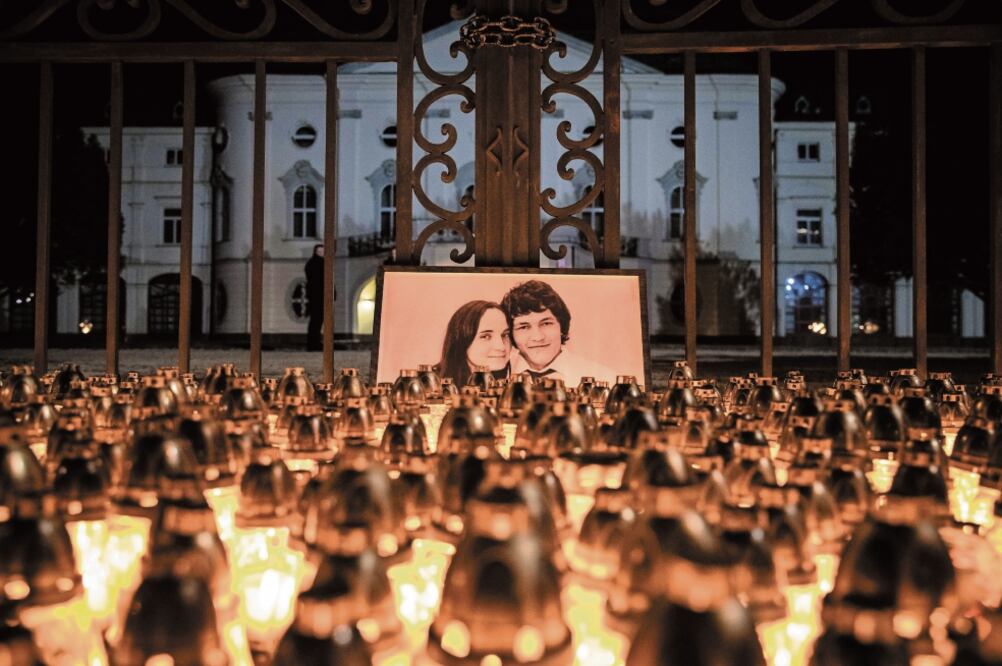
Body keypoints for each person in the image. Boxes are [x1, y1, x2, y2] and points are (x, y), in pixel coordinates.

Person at [500, 279, 615, 384]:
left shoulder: (604, 378)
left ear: (561, 326)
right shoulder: (496, 376)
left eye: (546, 323)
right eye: (524, 327)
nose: (538, 337)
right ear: (511, 334)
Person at [436, 300, 511, 388]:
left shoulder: (512, 383)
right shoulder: (431, 384)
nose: (501, 347)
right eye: (486, 336)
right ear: (461, 340)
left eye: (505, 335)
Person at [304, 244, 333, 351]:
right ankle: (313, 344)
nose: (322, 253)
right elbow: (318, 281)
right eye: (320, 251)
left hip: (319, 296)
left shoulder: (318, 263)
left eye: (323, 251)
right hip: (317, 297)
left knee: (317, 321)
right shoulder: (315, 264)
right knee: (316, 320)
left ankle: (314, 343)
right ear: (316, 252)